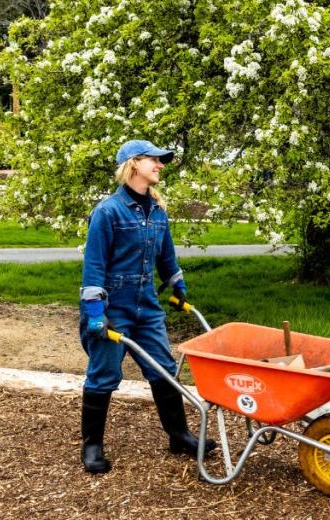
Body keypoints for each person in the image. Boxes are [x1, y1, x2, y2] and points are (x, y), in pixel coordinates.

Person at [78, 139, 215, 474]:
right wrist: (96, 312)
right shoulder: (108, 212)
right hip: (113, 307)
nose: (160, 165)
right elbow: (93, 266)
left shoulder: (156, 210)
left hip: (147, 308)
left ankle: (178, 434)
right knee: (104, 374)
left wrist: (177, 287)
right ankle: (92, 446)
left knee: (164, 370)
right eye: (154, 160)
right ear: (134, 163)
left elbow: (166, 256)